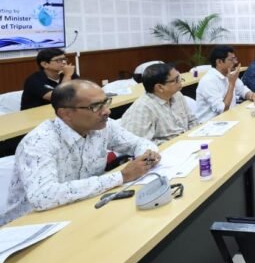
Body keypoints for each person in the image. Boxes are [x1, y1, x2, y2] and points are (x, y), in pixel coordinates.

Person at [1, 80, 160, 225]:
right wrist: (121, 176)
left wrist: (147, 156)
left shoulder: (103, 126)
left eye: (106, 102)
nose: (107, 111)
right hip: (30, 224)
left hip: (81, 206)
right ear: (66, 114)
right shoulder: (39, 142)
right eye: (95, 106)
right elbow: (43, 196)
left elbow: (138, 143)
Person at [120, 63, 200, 144]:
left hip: (188, 142)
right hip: (167, 148)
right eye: (176, 80)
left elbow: (192, 121)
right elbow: (137, 144)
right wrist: (174, 143)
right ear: (160, 87)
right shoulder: (142, 109)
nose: (180, 81)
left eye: (179, 77)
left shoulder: (177, 94)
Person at [194, 45, 255, 122]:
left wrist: (252, 96)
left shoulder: (229, 74)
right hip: (211, 123)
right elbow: (222, 109)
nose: (235, 62)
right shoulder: (208, 81)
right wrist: (231, 85)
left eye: (235, 59)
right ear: (219, 62)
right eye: (231, 60)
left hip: (229, 118)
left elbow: (243, 90)